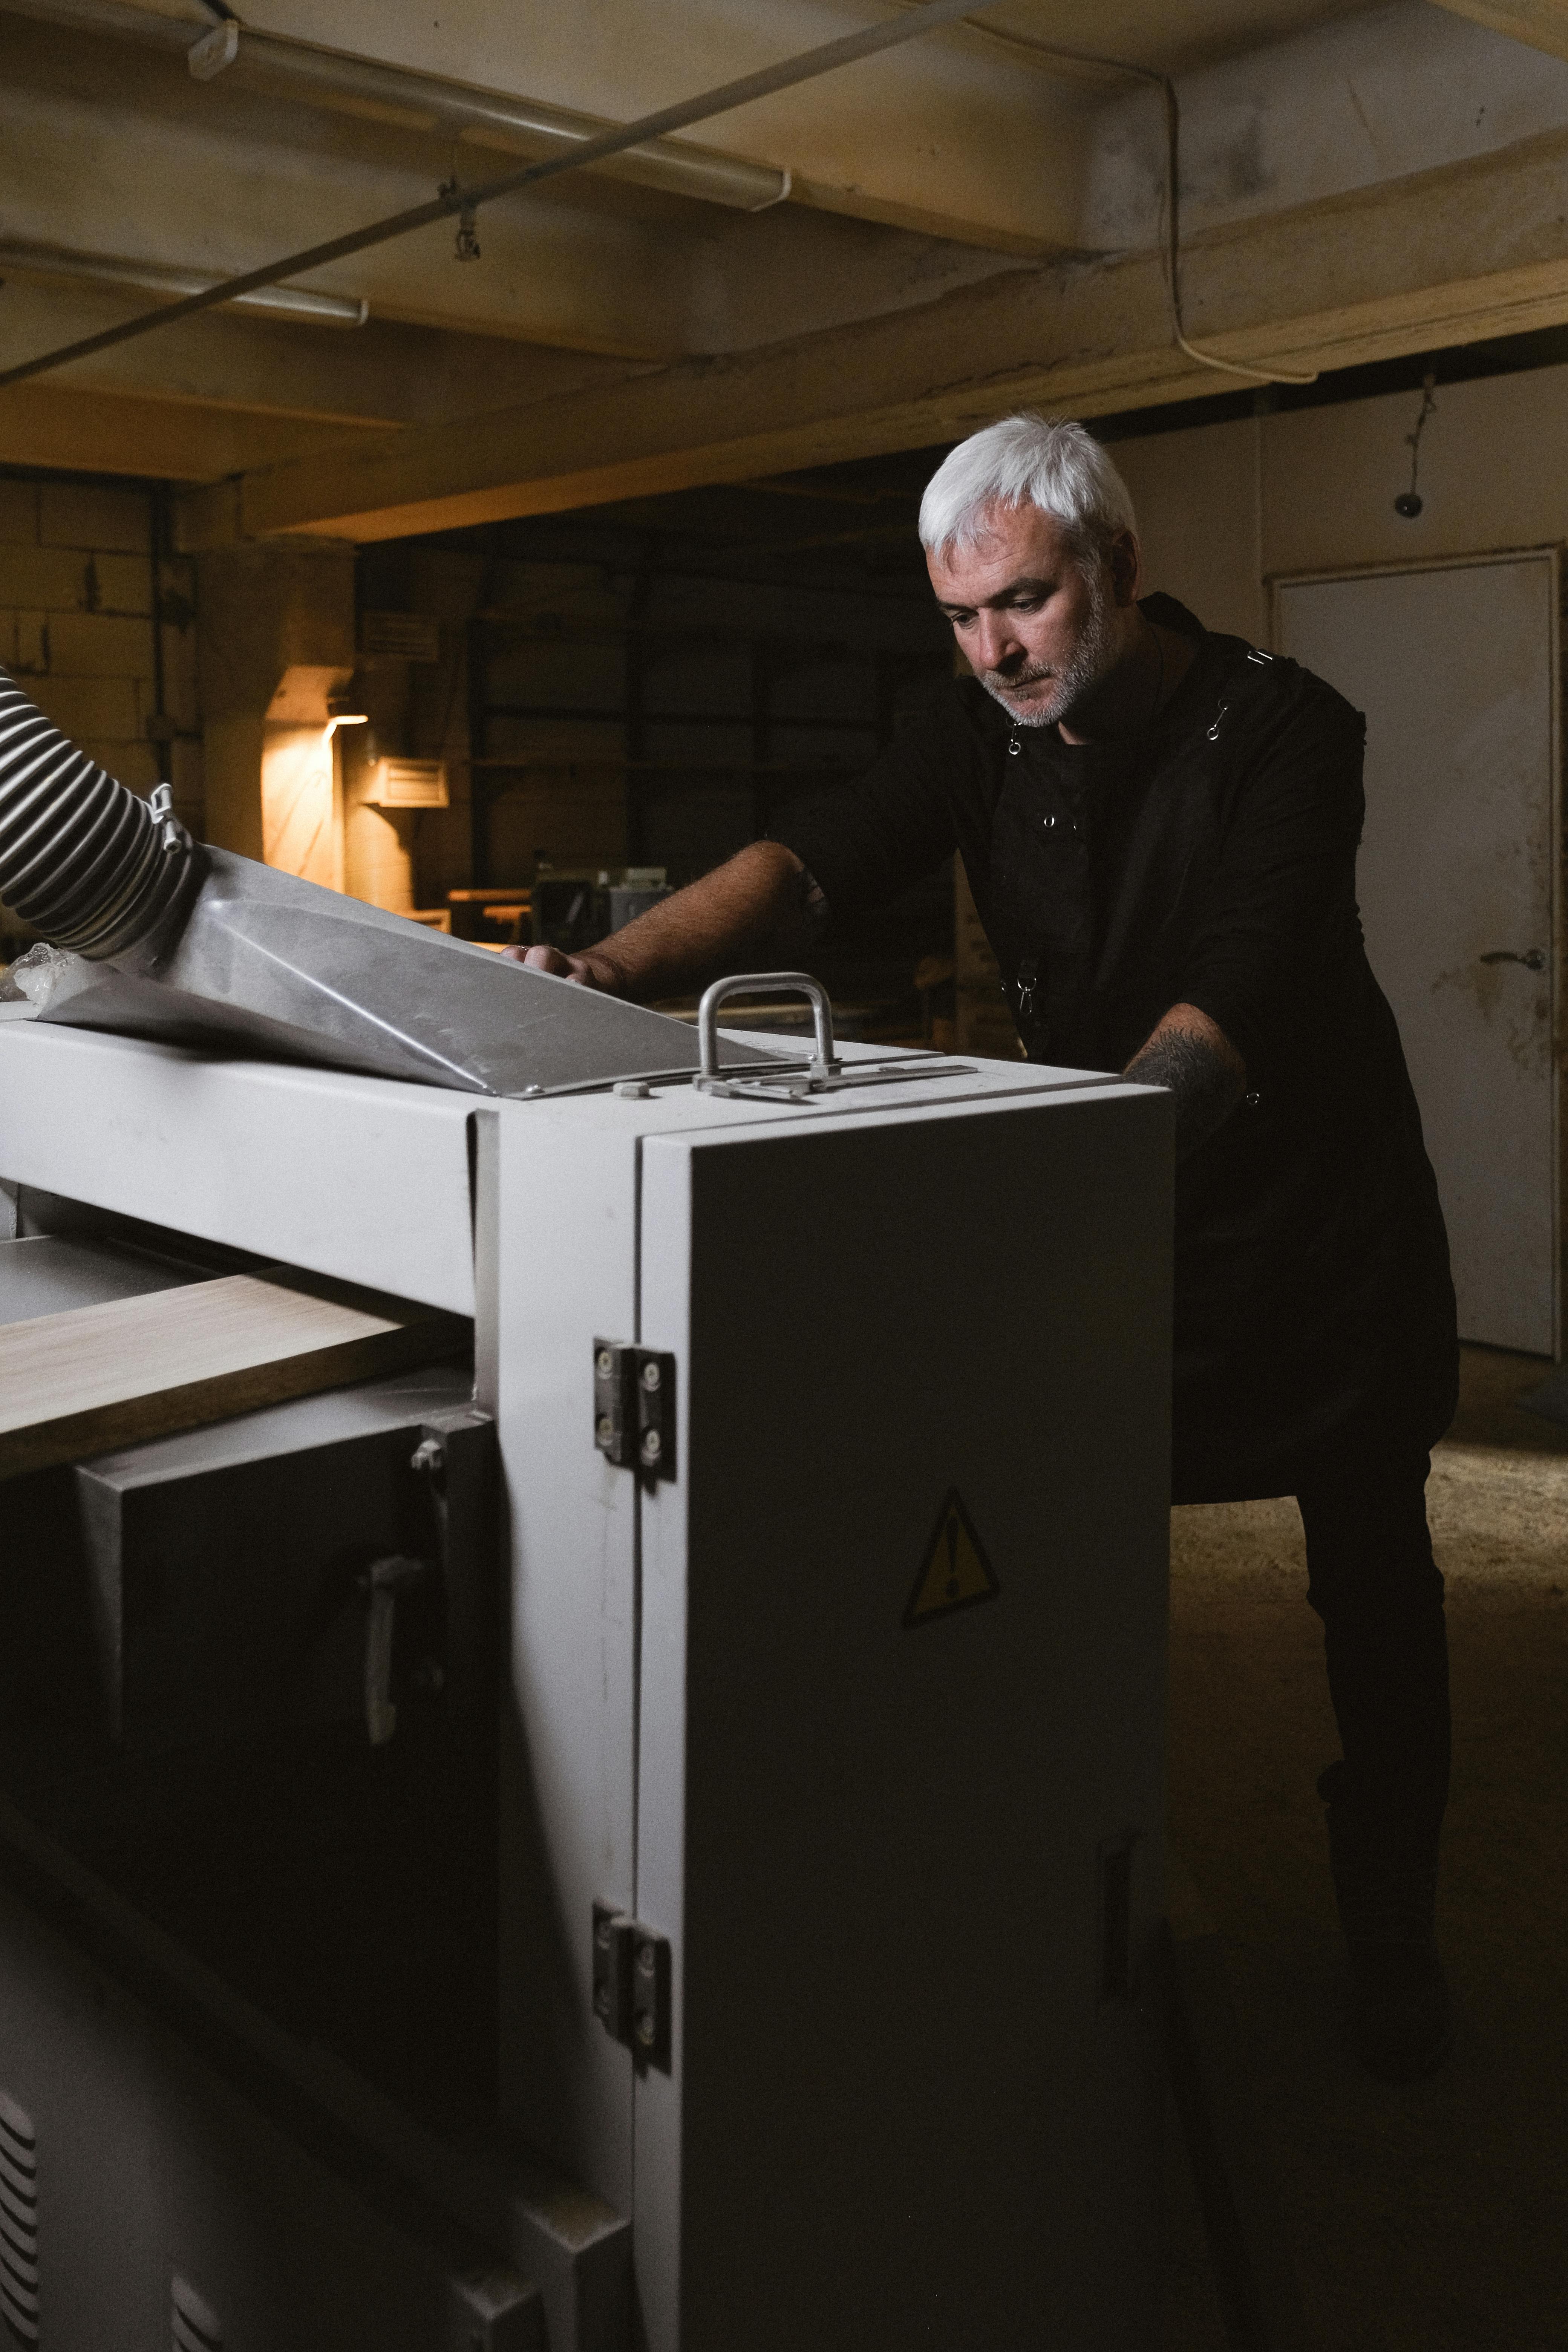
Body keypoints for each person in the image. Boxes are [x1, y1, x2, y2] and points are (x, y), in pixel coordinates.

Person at [514, 413, 1460, 2081]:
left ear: (1120, 570)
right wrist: (607, 971)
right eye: (958, 617)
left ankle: (1394, 1935)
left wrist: (1030, 1208)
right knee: (1036, 1541)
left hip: (1307, 1230)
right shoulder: (974, 728)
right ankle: (1051, 1891)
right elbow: (809, 863)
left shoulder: (1285, 730)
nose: (993, 649)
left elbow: (1221, 1012)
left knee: (1368, 1582)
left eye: (1022, 603)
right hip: (1114, 1199)